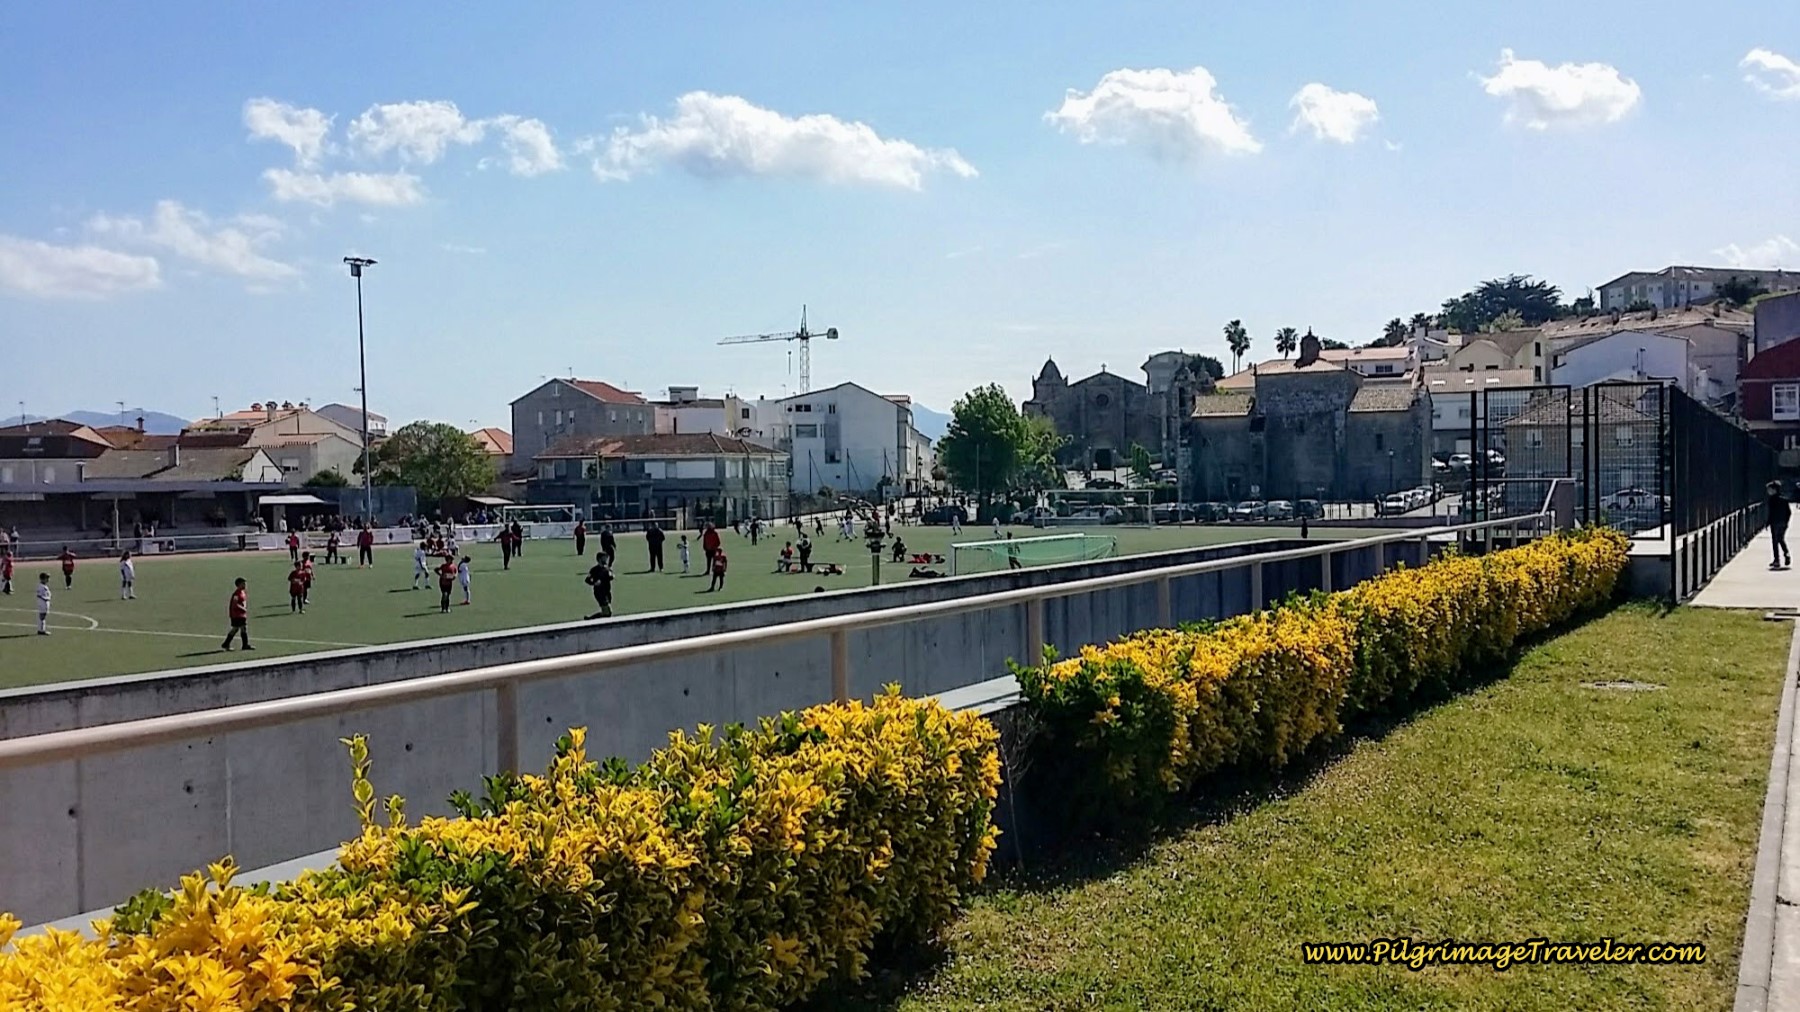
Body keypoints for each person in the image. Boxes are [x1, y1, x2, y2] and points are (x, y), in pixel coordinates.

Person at [221, 577, 252, 650]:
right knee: (241, 628)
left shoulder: (242, 592)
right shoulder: (236, 594)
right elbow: (235, 604)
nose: (245, 585)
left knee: (237, 629)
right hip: (237, 615)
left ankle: (226, 644)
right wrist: (243, 609)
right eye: (243, 584)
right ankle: (244, 645)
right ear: (239, 585)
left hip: (241, 614)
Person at [1771, 480, 1793, 570]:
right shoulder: (1784, 500)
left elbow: (1771, 513)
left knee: (1775, 541)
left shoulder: (1772, 500)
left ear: (1774, 490)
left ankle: (1777, 560)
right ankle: (1786, 553)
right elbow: (1789, 512)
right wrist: (1786, 521)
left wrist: (1768, 522)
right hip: (1783, 523)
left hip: (1775, 522)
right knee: (1780, 539)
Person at [585, 551, 613, 618]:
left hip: (607, 592)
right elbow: (587, 580)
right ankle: (590, 619)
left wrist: (612, 575)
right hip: (599, 592)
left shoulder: (607, 569)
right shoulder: (594, 570)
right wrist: (594, 583)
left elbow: (610, 577)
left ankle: (590, 619)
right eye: (604, 558)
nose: (606, 559)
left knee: (606, 613)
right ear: (599, 559)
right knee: (607, 612)